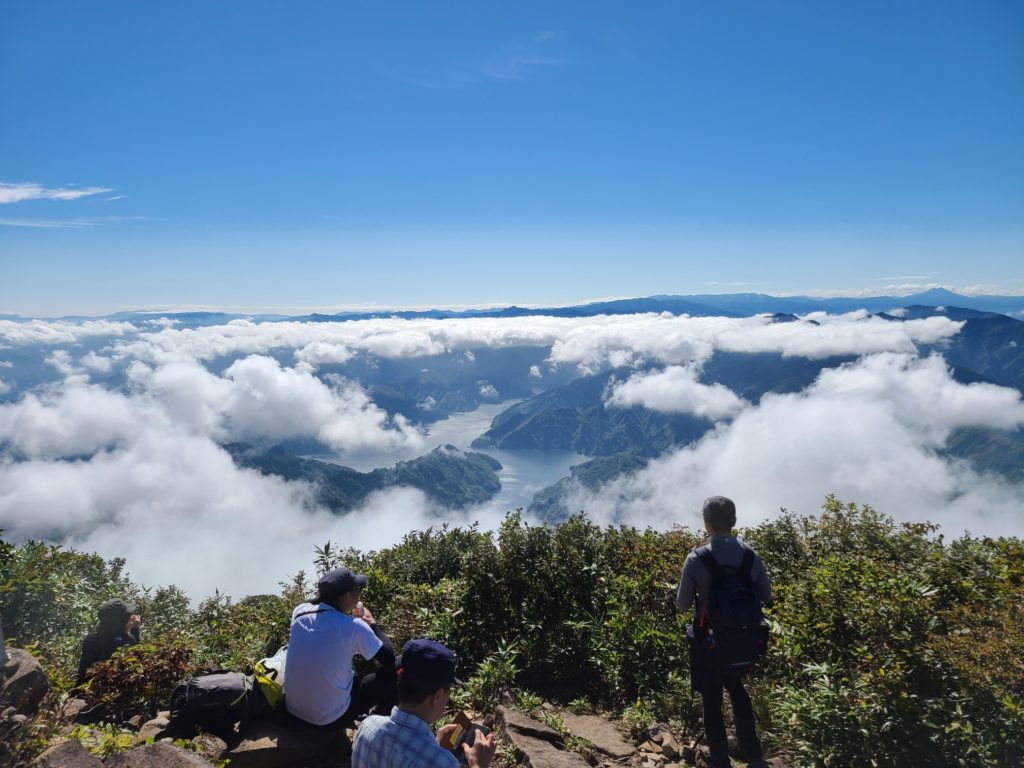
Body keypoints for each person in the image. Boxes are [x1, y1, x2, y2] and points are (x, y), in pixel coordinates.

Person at [676, 496, 772, 768]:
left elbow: (682, 604)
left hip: (709, 643)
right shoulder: (751, 557)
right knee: (737, 689)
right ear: (734, 521)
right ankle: (753, 753)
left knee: (711, 697)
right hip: (744, 641)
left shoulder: (697, 559)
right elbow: (767, 596)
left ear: (706, 523)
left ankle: (719, 758)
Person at [353, 639, 496, 768]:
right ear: (437, 696)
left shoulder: (368, 726)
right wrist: (479, 764)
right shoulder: (445, 763)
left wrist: (436, 745)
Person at [284, 566, 397, 728]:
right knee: (396, 671)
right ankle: (375, 724)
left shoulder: (300, 612)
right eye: (357, 590)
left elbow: (313, 604)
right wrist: (372, 623)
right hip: (329, 720)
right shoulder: (353, 626)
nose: (360, 594)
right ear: (346, 597)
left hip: (293, 710)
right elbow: (389, 658)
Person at [76, 598, 141, 686]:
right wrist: (135, 629)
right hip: (114, 689)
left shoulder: (91, 638)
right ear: (123, 621)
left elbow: (83, 671)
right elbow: (137, 661)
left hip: (87, 688)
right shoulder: (128, 640)